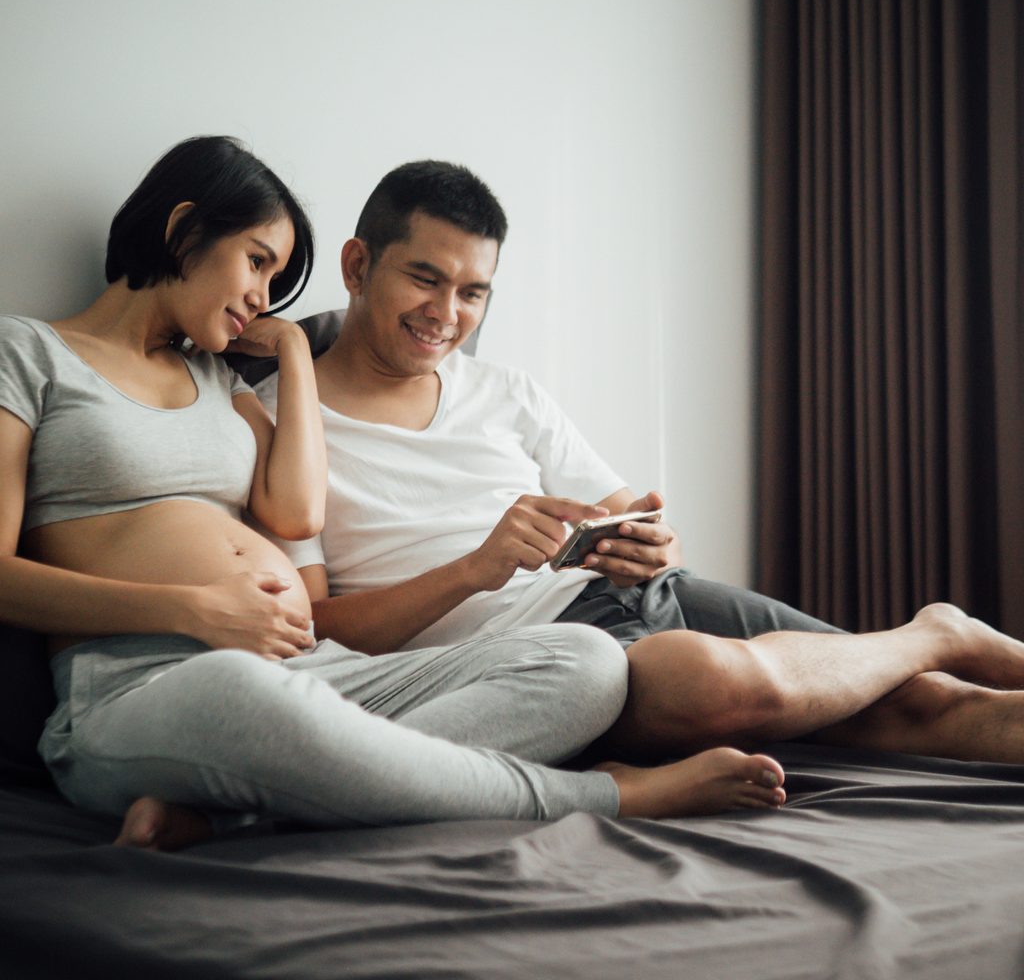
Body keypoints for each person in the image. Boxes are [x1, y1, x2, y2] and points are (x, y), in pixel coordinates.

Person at [0, 137, 789, 852]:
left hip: (307, 671)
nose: (264, 297)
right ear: (183, 228)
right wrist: (190, 612)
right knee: (245, 697)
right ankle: (614, 795)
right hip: (142, 683)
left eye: (278, 279)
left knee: (586, 661)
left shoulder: (215, 375)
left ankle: (251, 818)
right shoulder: (29, 354)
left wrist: (296, 357)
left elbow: (296, 512)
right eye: (258, 262)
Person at [257, 159, 1024, 768]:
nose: (446, 314)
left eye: (473, 293)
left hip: (654, 602)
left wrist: (651, 544)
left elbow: (645, 528)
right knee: (720, 682)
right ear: (358, 266)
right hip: (549, 657)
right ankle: (936, 630)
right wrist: (475, 567)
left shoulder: (505, 392)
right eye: (425, 278)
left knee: (916, 705)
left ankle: (938, 646)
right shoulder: (271, 421)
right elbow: (316, 631)